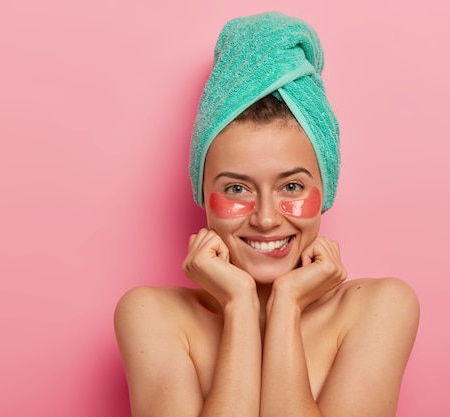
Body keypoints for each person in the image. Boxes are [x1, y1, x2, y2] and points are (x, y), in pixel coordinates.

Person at [114, 11, 419, 417]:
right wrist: (239, 305)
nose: (266, 219)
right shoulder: (149, 315)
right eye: (237, 189)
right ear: (203, 196)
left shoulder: (381, 307)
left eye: (291, 187)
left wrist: (287, 304)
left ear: (324, 189)